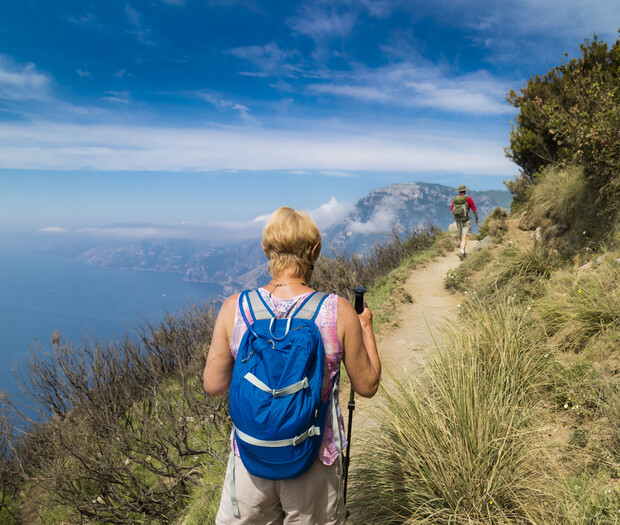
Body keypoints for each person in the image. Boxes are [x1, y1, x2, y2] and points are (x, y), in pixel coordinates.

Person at [204, 206, 381, 524]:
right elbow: (367, 385)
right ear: (315, 250)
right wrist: (365, 328)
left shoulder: (235, 308)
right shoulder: (336, 311)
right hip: (314, 460)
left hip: (252, 459)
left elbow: (213, 385)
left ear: (265, 248)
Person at [450, 184, 479, 259]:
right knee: (464, 236)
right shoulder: (468, 199)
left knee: (461, 237)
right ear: (465, 191)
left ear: (459, 192)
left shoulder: (455, 199)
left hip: (458, 221)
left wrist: (458, 213)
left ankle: (462, 251)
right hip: (466, 220)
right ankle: (462, 251)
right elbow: (474, 210)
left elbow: (451, 211)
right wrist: (476, 218)